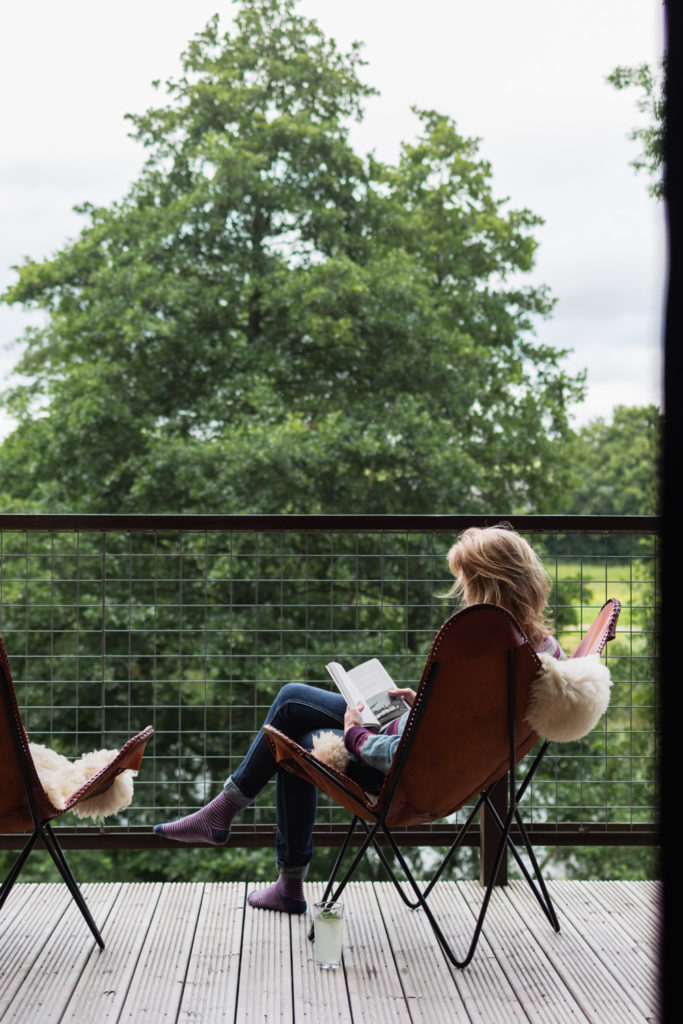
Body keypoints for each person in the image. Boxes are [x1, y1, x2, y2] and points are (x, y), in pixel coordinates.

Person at [154, 523, 566, 914]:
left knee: (294, 733)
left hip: (403, 776)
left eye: (467, 585)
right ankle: (247, 840)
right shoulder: (539, 655)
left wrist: (353, 734)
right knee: (292, 704)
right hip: (444, 767)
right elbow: (464, 725)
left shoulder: (474, 652)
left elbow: (394, 754)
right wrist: (421, 703)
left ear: (485, 586)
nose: (463, 595)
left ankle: (253, 846)